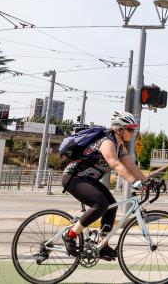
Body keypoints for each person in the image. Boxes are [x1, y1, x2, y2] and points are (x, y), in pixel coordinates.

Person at [61, 111, 146, 260]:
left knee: (111, 206)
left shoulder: (120, 146)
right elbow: (115, 164)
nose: (133, 133)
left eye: (134, 130)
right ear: (120, 130)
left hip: (89, 179)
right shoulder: (107, 142)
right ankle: (70, 235)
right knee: (100, 204)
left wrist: (145, 181)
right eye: (130, 129)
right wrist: (134, 182)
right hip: (75, 177)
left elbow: (130, 165)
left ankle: (103, 245)